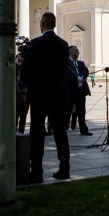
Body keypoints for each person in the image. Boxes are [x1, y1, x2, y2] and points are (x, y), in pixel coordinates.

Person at [22, 12, 70, 183]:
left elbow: (26, 70)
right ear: (55, 24)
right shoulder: (64, 45)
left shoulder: (34, 44)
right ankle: (64, 168)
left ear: (42, 24)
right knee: (60, 131)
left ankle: (37, 171)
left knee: (37, 132)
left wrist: (26, 87)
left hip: (39, 94)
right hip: (58, 93)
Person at [66, 46, 92, 135]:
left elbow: (85, 71)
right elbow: (69, 72)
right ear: (71, 52)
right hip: (71, 90)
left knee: (81, 111)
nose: (78, 53)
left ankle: (83, 129)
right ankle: (64, 128)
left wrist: (81, 77)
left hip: (81, 90)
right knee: (67, 110)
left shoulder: (81, 63)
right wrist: (77, 77)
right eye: (76, 51)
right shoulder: (66, 62)